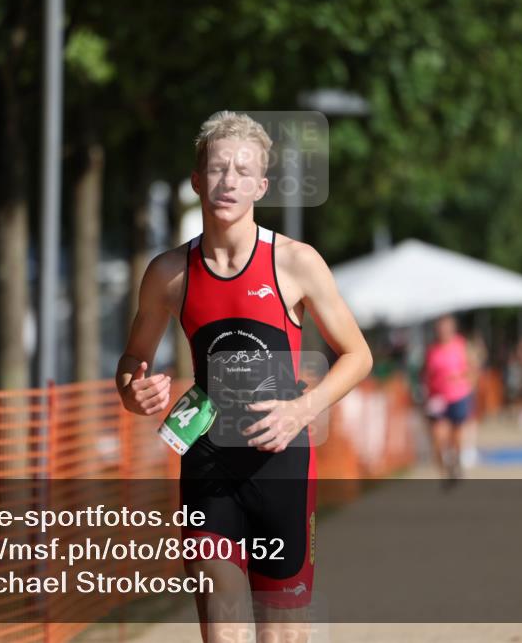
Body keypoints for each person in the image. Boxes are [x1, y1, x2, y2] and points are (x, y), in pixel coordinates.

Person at [115, 111, 372, 642]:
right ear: (195, 180)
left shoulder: (296, 263)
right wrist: (134, 391)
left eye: (241, 170)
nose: (227, 181)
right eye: (216, 168)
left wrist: (303, 408)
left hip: (282, 466)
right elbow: (131, 364)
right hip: (207, 463)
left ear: (261, 185)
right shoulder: (169, 274)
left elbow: (358, 355)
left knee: (283, 634)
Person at [422, 314, 474, 483]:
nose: (443, 330)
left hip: (458, 395)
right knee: (438, 435)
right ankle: (445, 471)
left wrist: (461, 379)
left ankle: (456, 460)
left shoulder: (461, 344)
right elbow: (426, 374)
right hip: (437, 398)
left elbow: (472, 369)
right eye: (440, 326)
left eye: (446, 326)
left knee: (456, 435)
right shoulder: (432, 349)